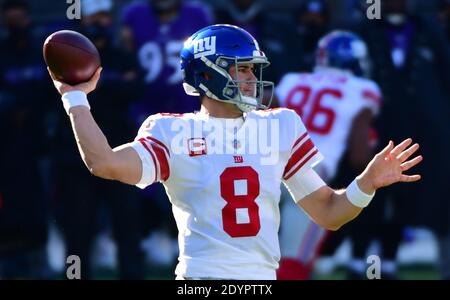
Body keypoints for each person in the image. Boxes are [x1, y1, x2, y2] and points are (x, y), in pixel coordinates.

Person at [47, 24, 422, 280]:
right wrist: (75, 97)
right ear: (208, 75)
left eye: (253, 70)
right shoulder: (172, 130)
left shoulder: (279, 125)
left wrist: (366, 184)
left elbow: (328, 213)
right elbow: (104, 162)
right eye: (242, 70)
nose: (252, 80)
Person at [275, 30, 381, 279]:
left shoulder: (291, 80)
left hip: (264, 166)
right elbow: (358, 155)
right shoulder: (363, 88)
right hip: (307, 176)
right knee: (293, 261)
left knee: (249, 253)